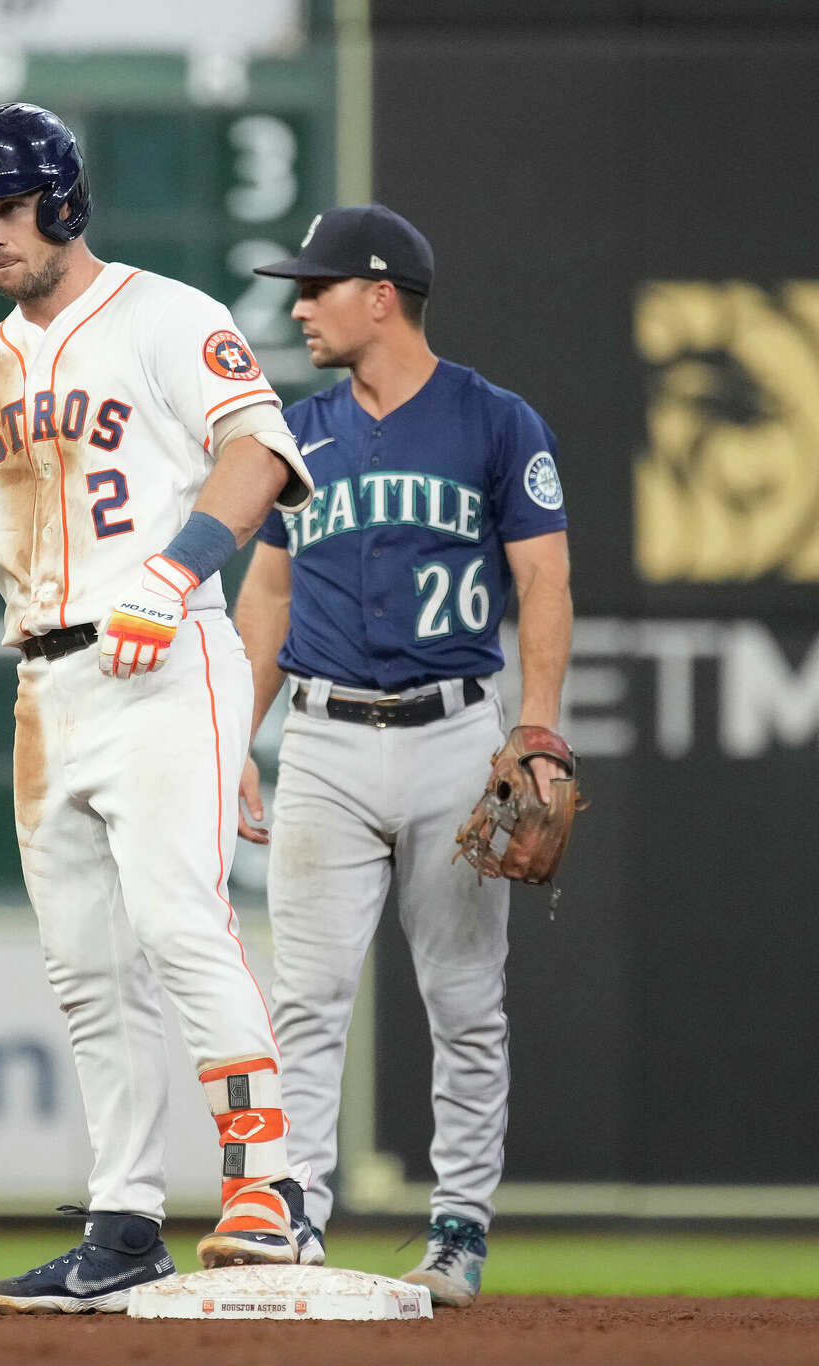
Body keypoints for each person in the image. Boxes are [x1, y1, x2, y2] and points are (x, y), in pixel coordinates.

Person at [0, 103, 317, 1313]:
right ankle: (125, 1223)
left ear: (66, 202)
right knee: (87, 967)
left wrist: (176, 569)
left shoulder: (164, 315)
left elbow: (259, 455)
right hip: (47, 681)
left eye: (4, 207)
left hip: (166, 655)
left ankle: (266, 1188)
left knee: (177, 915)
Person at [234, 204, 573, 1307]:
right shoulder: (300, 429)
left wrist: (536, 726)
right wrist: (235, 735)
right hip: (325, 741)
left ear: (380, 295)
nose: (298, 304)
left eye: (316, 286)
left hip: (453, 740)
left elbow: (543, 580)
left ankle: (459, 1228)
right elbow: (268, 592)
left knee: (466, 1000)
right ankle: (295, 1217)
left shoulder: (495, 420)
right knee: (308, 997)